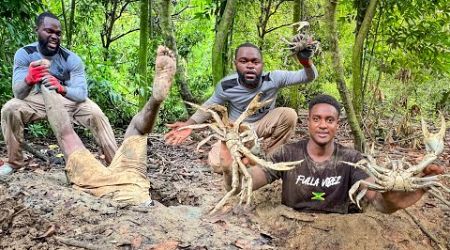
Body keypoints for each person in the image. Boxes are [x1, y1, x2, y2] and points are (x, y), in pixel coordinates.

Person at [220, 94, 445, 214]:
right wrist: (232, 167)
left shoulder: (353, 159)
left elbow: (377, 202)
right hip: (289, 226)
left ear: (337, 124)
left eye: (330, 120)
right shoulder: (287, 153)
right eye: (316, 119)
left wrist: (393, 200)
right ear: (308, 122)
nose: (323, 125)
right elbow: (241, 184)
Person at [35, 46, 176, 205]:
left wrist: (44, 80)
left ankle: (45, 82)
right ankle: (155, 101)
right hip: (131, 180)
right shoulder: (128, 174)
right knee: (137, 129)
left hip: (99, 186)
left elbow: (65, 133)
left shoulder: (92, 178)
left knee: (67, 135)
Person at [165, 42, 318, 173]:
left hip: (263, 123)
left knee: (289, 114)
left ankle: (271, 158)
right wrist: (189, 124)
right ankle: (250, 159)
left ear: (262, 65)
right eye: (244, 61)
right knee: (217, 164)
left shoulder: (274, 78)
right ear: (235, 64)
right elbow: (209, 106)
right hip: (237, 130)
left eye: (255, 62)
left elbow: (308, 76)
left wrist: (305, 61)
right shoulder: (227, 86)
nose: (250, 66)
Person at [0, 12, 118, 175]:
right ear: (37, 30)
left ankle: (117, 164)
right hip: (36, 100)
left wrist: (62, 88)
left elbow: (81, 94)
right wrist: (29, 79)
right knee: (9, 109)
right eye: (49, 31)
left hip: (67, 100)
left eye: (58, 33)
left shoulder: (71, 59)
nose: (54, 36)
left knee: (96, 113)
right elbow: (18, 93)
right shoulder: (25, 54)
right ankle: (14, 163)